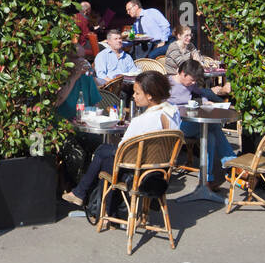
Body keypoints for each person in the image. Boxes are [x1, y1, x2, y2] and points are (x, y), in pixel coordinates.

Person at [61, 71, 180, 208]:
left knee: (105, 155)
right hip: (161, 170)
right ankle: (94, 204)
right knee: (105, 153)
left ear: (149, 95)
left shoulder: (142, 120)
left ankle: (94, 204)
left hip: (140, 172)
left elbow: (123, 149)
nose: (133, 96)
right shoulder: (173, 112)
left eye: (137, 93)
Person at [169, 60, 235, 187]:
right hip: (177, 124)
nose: (193, 83)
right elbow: (162, 106)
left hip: (191, 121)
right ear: (183, 73)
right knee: (212, 125)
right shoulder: (168, 84)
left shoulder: (190, 84)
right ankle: (231, 163)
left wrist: (205, 102)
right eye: (192, 80)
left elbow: (200, 93)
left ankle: (206, 179)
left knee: (209, 135)